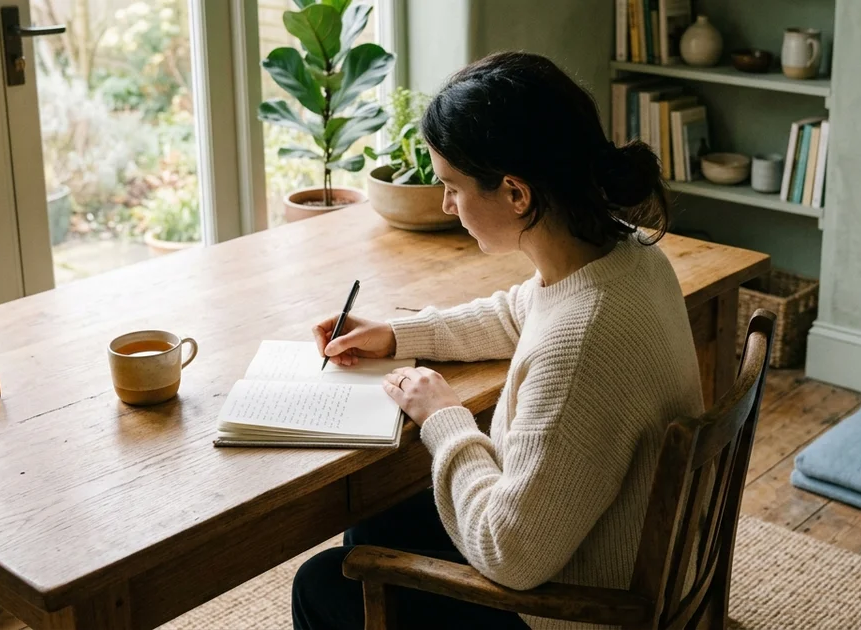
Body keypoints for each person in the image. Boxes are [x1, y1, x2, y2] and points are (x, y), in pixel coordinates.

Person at [292, 51, 704, 630]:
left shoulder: (578, 345)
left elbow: (509, 554)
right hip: (614, 548)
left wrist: (445, 417)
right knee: (373, 522)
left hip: (577, 607)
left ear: (516, 193)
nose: (446, 204)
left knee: (321, 583)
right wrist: (397, 333)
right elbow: (521, 312)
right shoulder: (628, 255)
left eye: (452, 186)